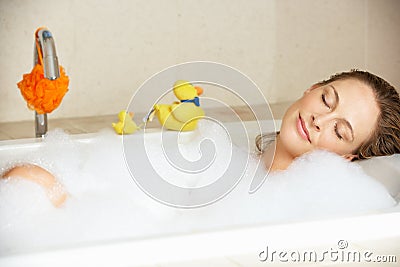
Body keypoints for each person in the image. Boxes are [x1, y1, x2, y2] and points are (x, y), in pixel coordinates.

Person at [256, 70, 400, 171]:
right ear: (313, 88)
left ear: (347, 157)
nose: (318, 120)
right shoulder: (240, 160)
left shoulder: (304, 209)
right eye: (326, 100)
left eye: (338, 131)